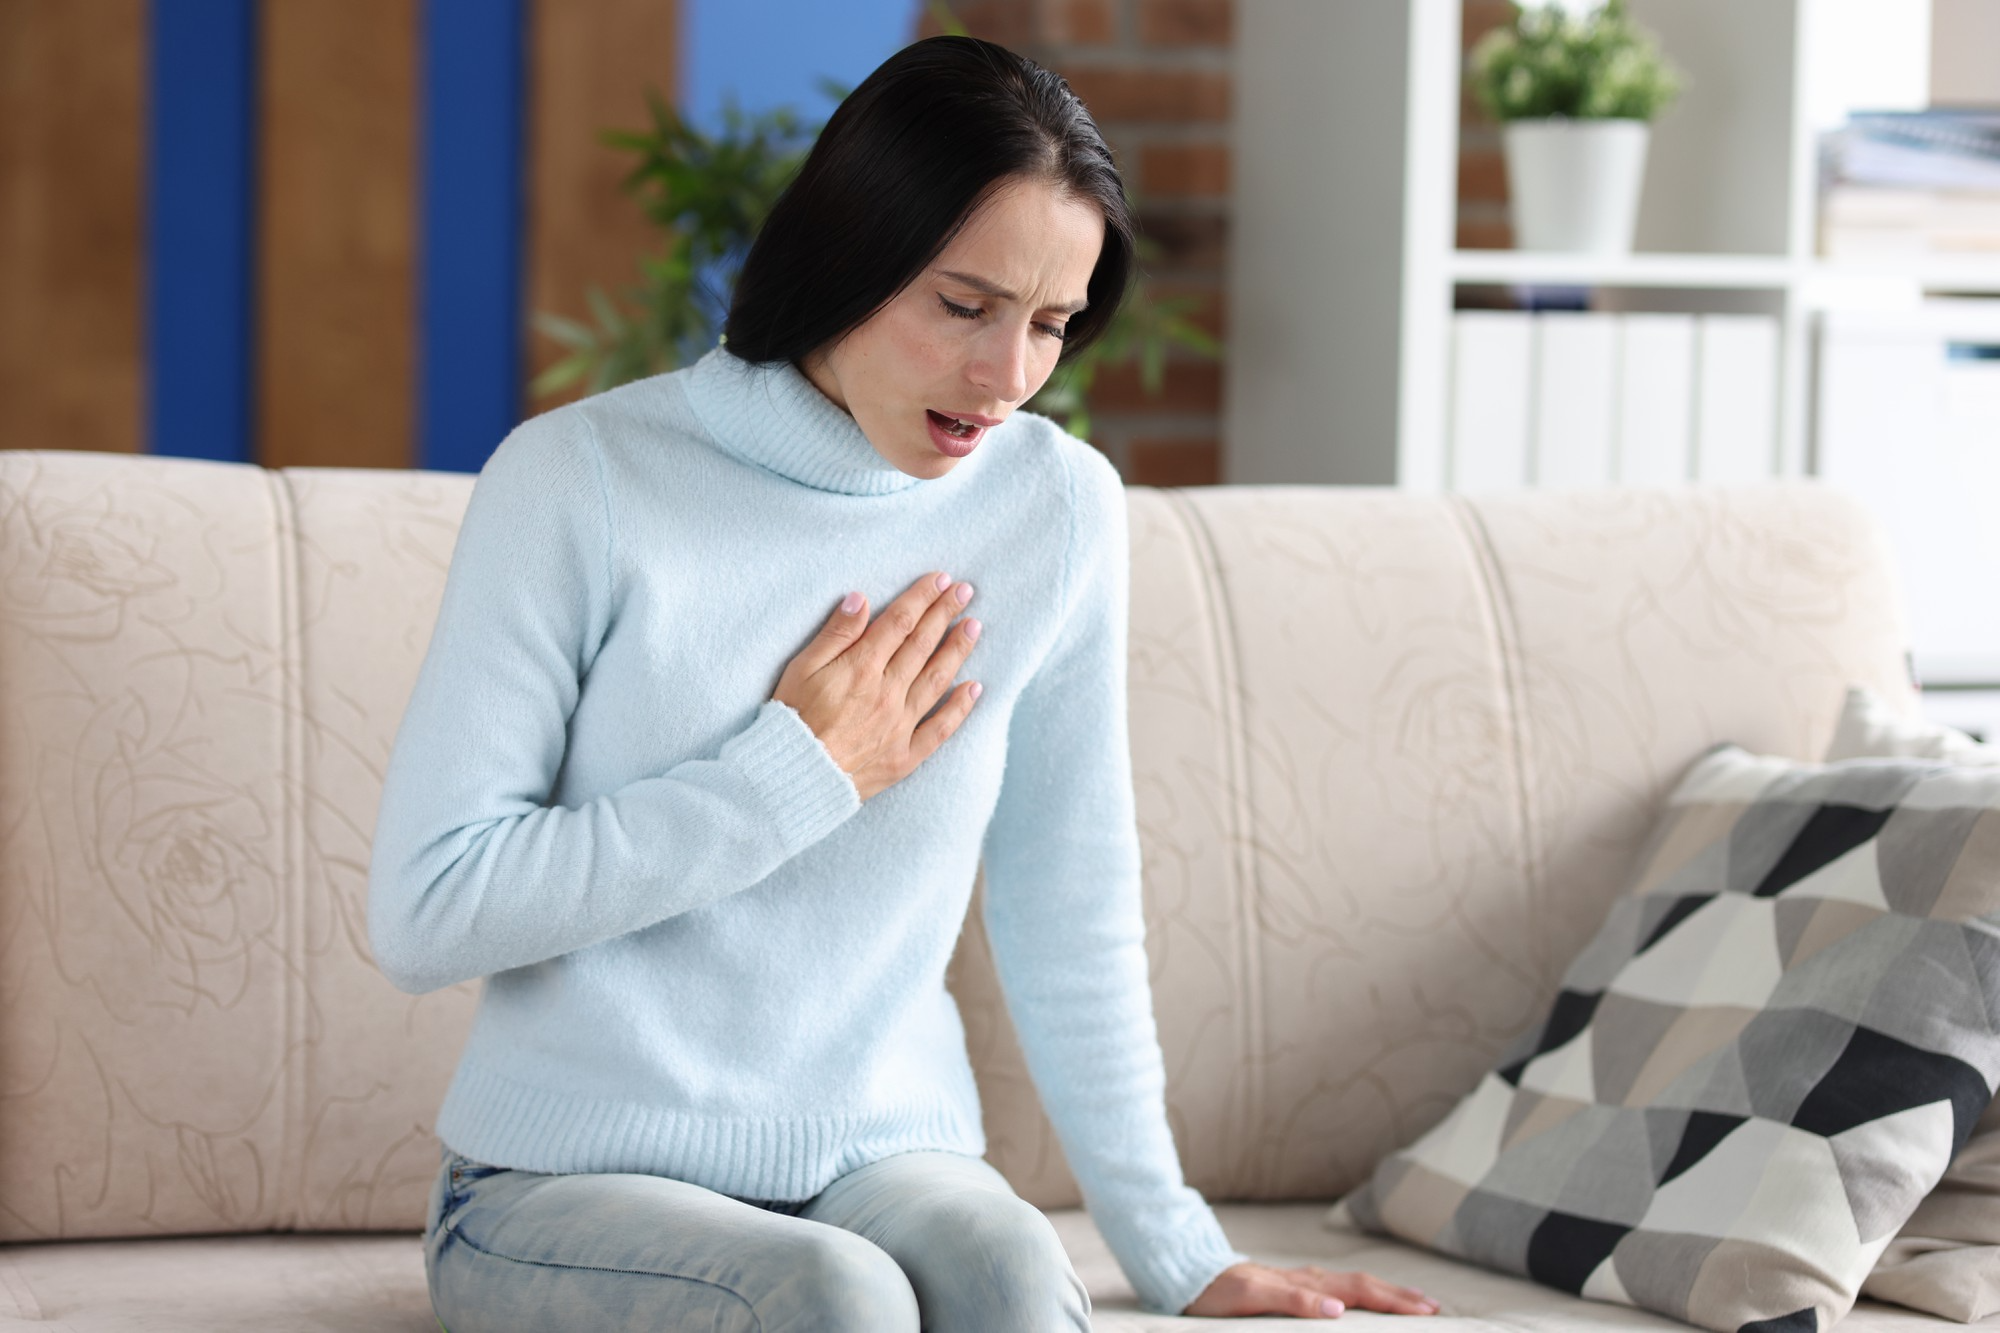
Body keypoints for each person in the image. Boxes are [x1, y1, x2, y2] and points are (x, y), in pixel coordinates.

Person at [367, 32, 1441, 1332]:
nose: (1006, 380)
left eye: (1051, 325)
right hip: (562, 1181)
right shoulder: (579, 480)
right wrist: (794, 777)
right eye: (963, 305)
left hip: (884, 1156)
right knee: (835, 1300)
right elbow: (428, 913)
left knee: (1009, 1278)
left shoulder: (1054, 506)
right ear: (851, 255)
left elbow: (1067, 894)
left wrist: (1180, 1252)